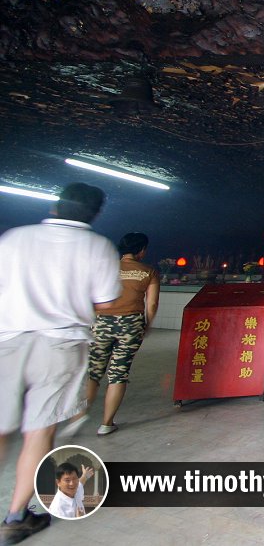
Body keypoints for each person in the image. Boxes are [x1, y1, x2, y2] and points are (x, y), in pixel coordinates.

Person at [0, 183, 120, 544]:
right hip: (61, 345)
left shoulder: (16, 238)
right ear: (96, 214)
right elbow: (106, 301)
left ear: (54, 206)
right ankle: (15, 518)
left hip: (7, 338)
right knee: (39, 430)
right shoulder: (98, 247)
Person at [81, 232, 160, 436]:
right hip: (131, 324)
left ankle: (79, 416)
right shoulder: (148, 271)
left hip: (101, 322)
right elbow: (151, 304)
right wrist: (147, 325)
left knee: (94, 371)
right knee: (118, 373)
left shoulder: (104, 268)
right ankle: (106, 423)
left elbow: (89, 297)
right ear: (142, 250)